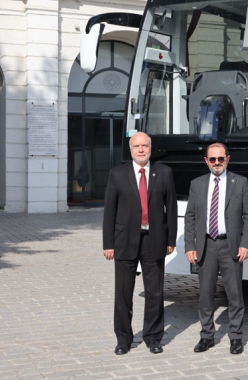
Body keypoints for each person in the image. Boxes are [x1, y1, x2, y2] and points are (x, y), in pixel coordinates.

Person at [102, 132, 177, 355]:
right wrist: (108, 243)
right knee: (123, 293)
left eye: (145, 145)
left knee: (155, 293)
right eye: (137, 146)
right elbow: (109, 211)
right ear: (131, 149)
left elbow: (171, 208)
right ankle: (123, 339)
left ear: (150, 148)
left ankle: (153, 337)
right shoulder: (117, 174)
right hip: (124, 240)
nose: (141, 149)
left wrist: (170, 240)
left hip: (155, 240)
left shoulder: (164, 172)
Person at [184, 142, 248, 355]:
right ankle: (207, 336)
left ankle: (236, 336)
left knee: (235, 294)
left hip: (230, 245)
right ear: (206, 161)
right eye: (212, 159)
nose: (217, 162)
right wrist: (190, 245)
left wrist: (245, 244)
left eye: (220, 158)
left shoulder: (240, 182)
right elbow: (190, 217)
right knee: (205, 294)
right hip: (205, 245)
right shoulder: (196, 184)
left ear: (227, 159)